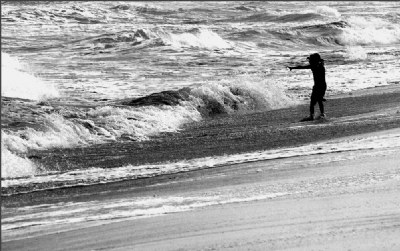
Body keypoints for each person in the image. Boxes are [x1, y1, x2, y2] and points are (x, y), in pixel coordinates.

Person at [288, 53, 327, 122]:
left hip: (319, 86)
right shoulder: (319, 65)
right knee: (316, 100)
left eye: (310, 60)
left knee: (315, 101)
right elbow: (302, 67)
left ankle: (315, 115)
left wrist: (293, 68)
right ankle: (320, 114)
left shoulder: (316, 66)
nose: (309, 61)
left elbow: (302, 67)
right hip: (321, 86)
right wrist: (293, 68)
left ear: (314, 61)